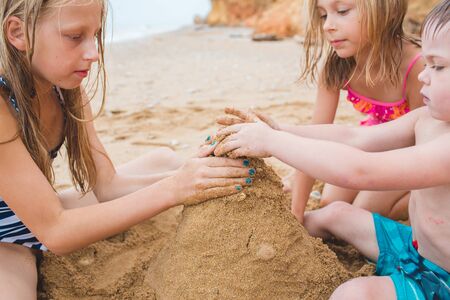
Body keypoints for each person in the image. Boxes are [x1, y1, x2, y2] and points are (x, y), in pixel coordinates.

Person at [0, 1, 253, 298]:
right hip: (9, 241)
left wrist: (196, 175)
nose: (93, 54)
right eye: (74, 37)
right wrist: (175, 188)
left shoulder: (64, 87)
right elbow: (56, 232)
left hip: (36, 211)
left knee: (166, 159)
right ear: (18, 33)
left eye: (94, 35)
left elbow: (107, 185)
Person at [214, 1, 450, 298]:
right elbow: (355, 138)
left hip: (441, 279)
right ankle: (276, 235)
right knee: (336, 212)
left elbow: (360, 170)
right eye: (426, 64)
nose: (423, 75)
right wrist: (280, 130)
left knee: (350, 293)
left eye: (438, 66)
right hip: (417, 248)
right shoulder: (427, 119)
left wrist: (271, 143)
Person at [284, 0, 424, 222]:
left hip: (413, 151)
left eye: (342, 11)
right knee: (330, 202)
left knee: (363, 209)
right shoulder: (337, 67)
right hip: (373, 142)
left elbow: (424, 148)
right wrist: (296, 214)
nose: (327, 26)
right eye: (323, 15)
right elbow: (312, 140)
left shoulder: (419, 67)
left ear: (382, 8)